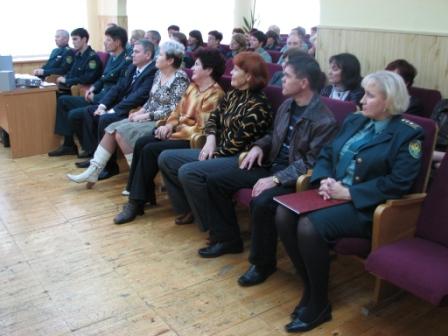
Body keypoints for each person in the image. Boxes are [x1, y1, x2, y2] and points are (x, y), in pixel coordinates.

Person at [275, 70, 424, 333]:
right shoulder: (356, 121)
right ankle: (310, 285)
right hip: (333, 193)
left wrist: (350, 193)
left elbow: (399, 183)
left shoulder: (408, 135)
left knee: (309, 226)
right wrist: (324, 179)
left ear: (389, 101)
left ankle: (319, 302)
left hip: (366, 207)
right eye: (363, 93)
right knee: (283, 213)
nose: (362, 100)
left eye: (369, 95)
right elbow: (328, 153)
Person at [198, 56, 338, 272]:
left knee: (262, 203)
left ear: (304, 83)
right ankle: (228, 240)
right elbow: (274, 134)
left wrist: (276, 179)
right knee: (215, 181)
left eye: (287, 76)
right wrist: (258, 146)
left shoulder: (324, 121)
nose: (281, 79)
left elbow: (311, 162)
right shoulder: (287, 105)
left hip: (294, 177)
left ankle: (262, 264)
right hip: (270, 164)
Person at [158, 51, 272, 241]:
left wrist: (214, 152)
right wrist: (210, 140)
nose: (231, 73)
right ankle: (189, 209)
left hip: (238, 159)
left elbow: (237, 144)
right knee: (166, 158)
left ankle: (214, 225)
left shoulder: (257, 105)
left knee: (188, 171)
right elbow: (213, 120)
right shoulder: (234, 94)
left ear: (249, 77)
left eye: (236, 70)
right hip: (219, 150)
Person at [112, 48, 226, 224]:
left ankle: (135, 203)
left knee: (150, 149)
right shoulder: (193, 88)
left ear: (209, 70)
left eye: (196, 65)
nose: (192, 68)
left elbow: (202, 129)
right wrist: (169, 125)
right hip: (179, 133)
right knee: (142, 143)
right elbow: (176, 111)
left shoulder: (215, 94)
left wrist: (173, 130)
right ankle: (143, 195)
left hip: (191, 141)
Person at [67, 40, 189, 186]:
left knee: (121, 132)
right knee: (111, 128)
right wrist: (141, 111)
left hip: (163, 121)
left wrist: (146, 115)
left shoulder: (180, 79)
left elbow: (173, 109)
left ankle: (137, 180)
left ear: (170, 60)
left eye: (160, 55)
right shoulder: (159, 74)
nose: (156, 58)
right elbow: (151, 100)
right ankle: (93, 170)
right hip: (147, 115)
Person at [71, 39, 158, 175]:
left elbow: (138, 97)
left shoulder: (153, 72)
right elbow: (118, 88)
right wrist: (102, 105)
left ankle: (110, 167)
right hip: (120, 105)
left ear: (147, 55)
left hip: (134, 110)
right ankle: (95, 157)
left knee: (105, 119)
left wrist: (111, 111)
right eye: (133, 51)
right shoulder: (132, 67)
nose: (132, 54)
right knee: (90, 111)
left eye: (136, 52)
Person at [48, 26, 129, 157]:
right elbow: (102, 79)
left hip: (107, 101)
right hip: (99, 94)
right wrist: (92, 88)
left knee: (75, 114)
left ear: (118, 42)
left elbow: (117, 89)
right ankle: (69, 145)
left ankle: (91, 149)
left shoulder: (125, 61)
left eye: (108, 40)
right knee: (63, 100)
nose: (105, 42)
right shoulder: (112, 57)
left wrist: (95, 98)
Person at [55, 28, 102, 92]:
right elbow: (72, 72)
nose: (73, 42)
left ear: (84, 39)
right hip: (71, 86)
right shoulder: (78, 55)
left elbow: (87, 78)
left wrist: (67, 80)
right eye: (72, 39)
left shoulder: (92, 58)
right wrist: (65, 78)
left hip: (82, 89)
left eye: (75, 39)